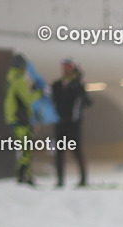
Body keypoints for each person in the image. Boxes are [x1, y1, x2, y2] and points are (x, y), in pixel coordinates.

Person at [51, 58, 91, 187]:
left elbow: (87, 102)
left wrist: (80, 84)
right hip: (60, 124)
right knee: (59, 153)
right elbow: (50, 99)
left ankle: (83, 179)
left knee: (77, 152)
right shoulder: (57, 85)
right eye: (64, 67)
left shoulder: (77, 85)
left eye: (69, 67)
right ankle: (60, 180)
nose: (66, 70)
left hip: (73, 125)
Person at [3, 53, 41, 184]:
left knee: (25, 149)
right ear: (22, 67)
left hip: (15, 120)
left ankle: (28, 177)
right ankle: (22, 177)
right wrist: (38, 92)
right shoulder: (19, 81)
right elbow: (28, 99)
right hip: (22, 120)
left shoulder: (10, 79)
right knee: (27, 150)